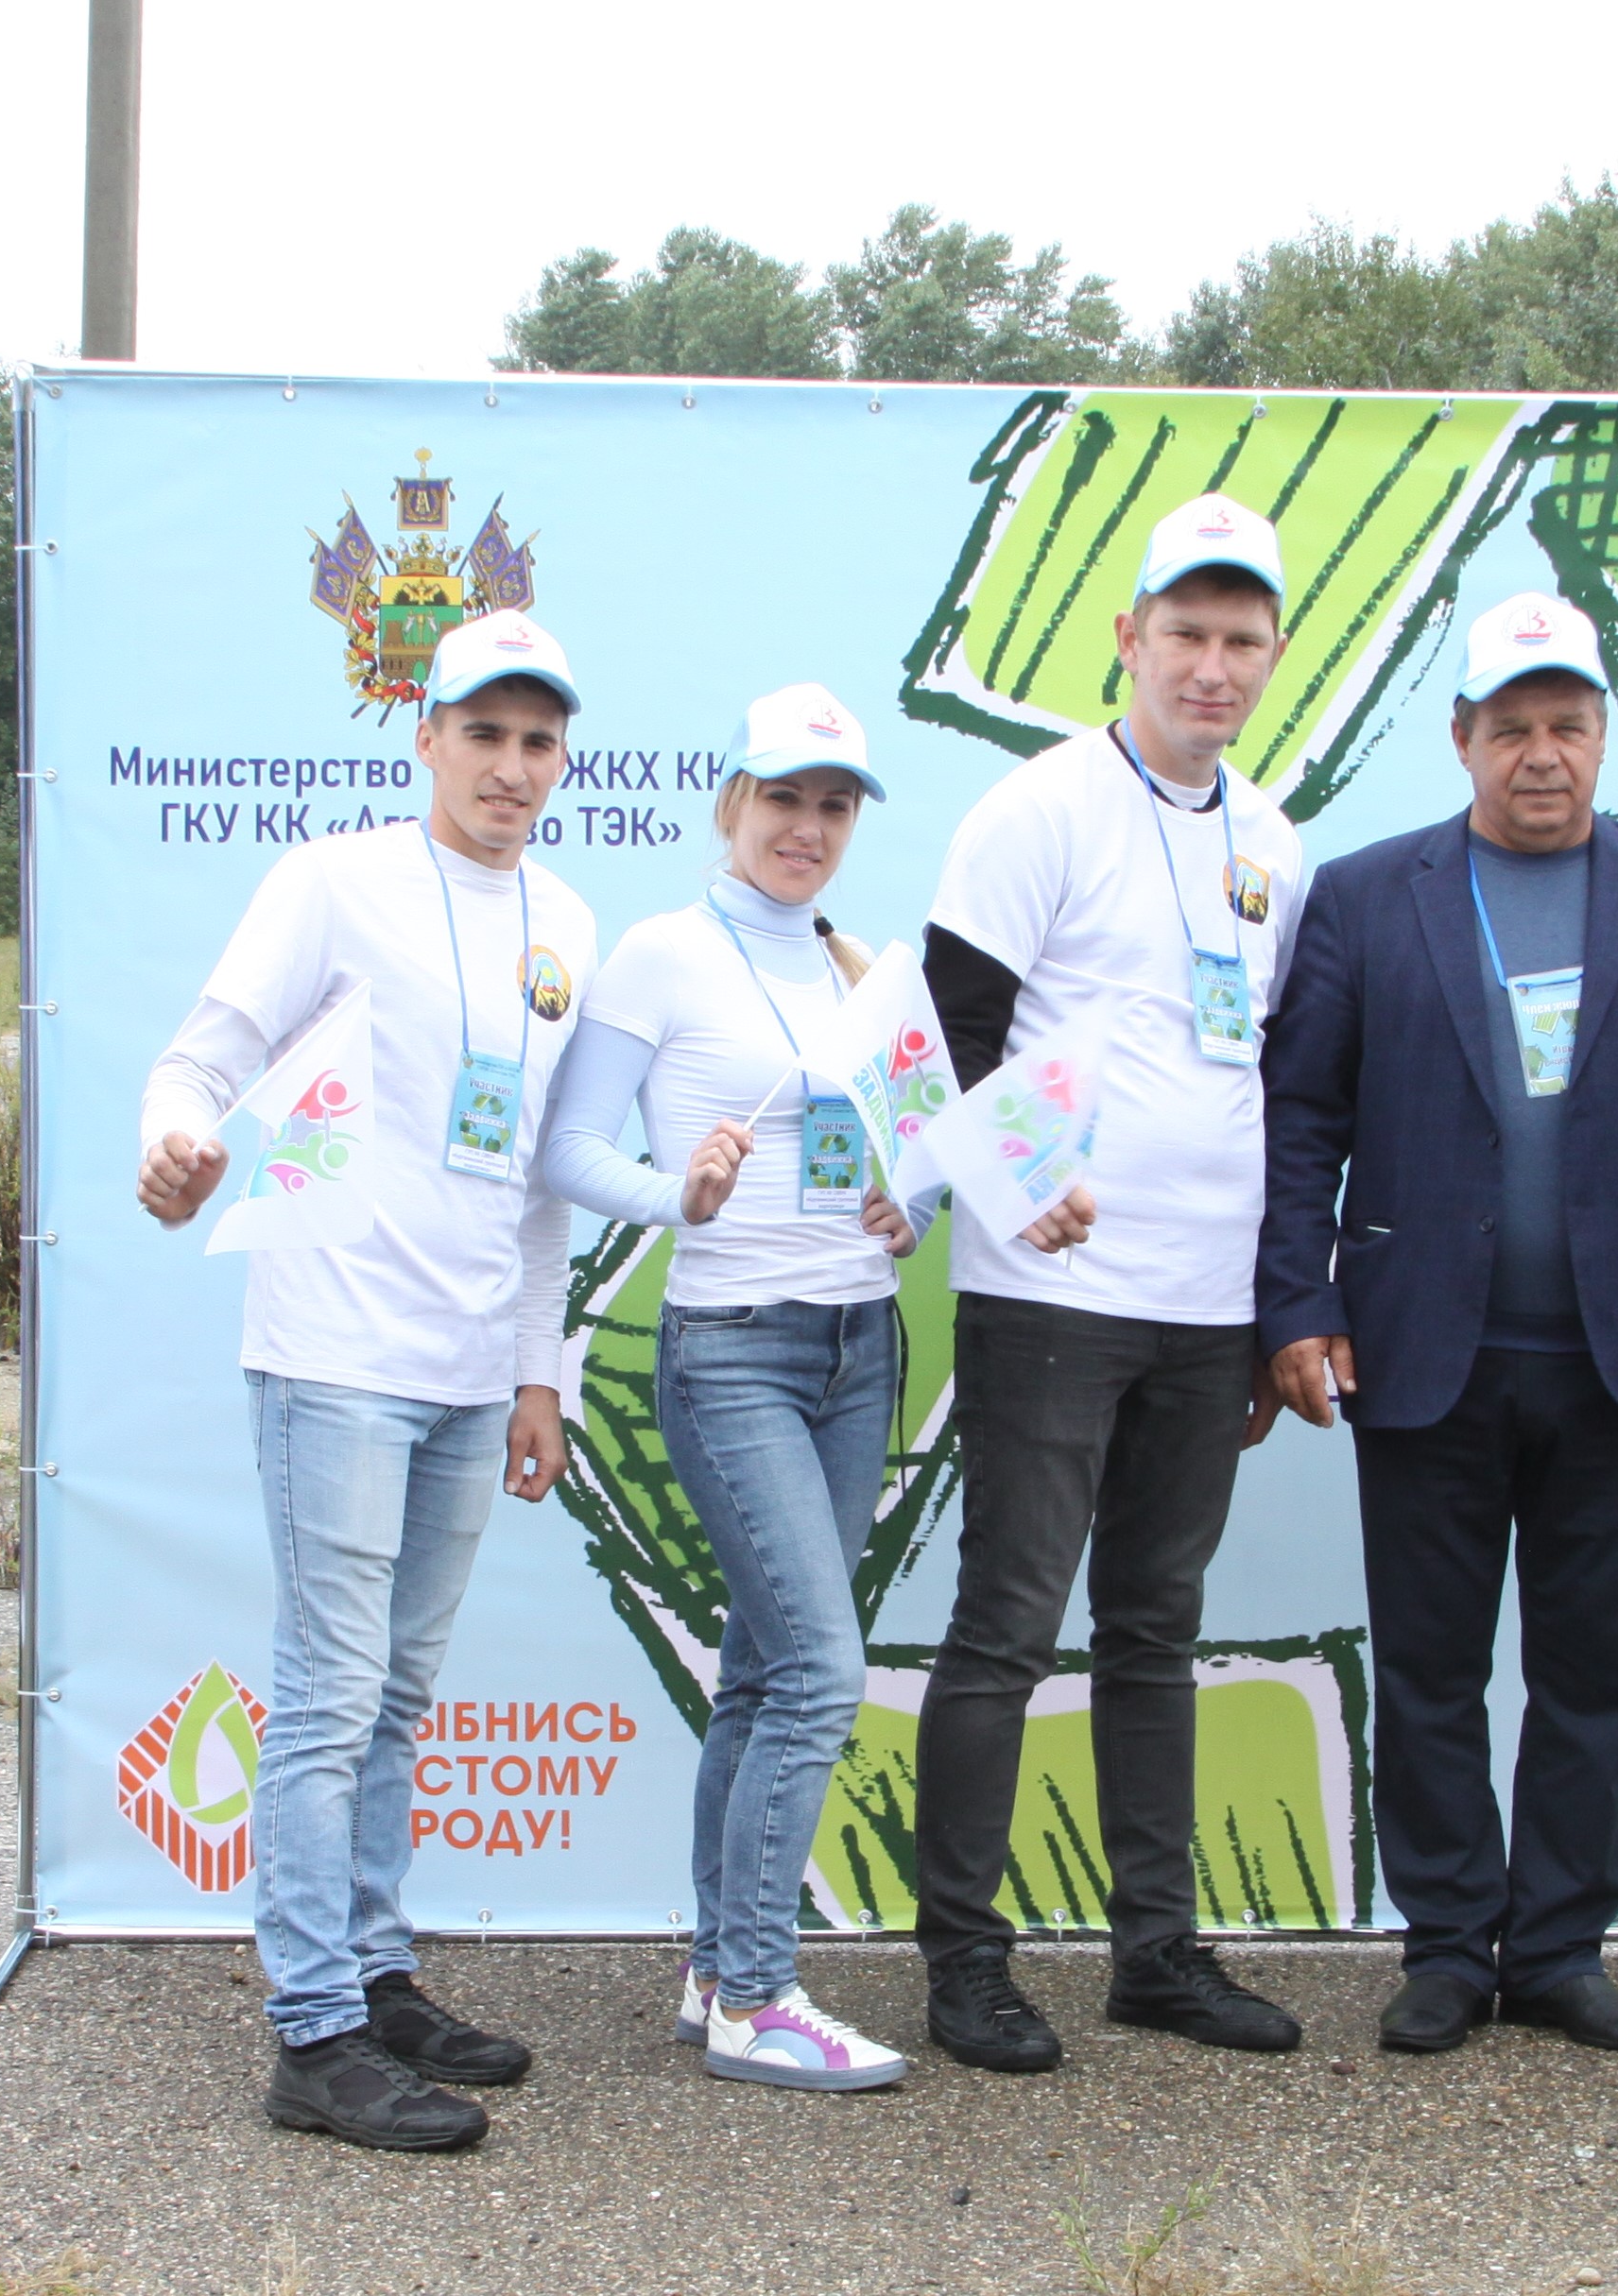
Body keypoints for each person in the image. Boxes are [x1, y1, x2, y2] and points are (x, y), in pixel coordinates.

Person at [1256, 591, 1618, 2056]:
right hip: (1423, 1349)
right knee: (1431, 1670)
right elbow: (1301, 1120)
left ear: (1604, 735)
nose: (1541, 753)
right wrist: (1298, 1298)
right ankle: (1443, 1945)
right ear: (1461, 736)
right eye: (1512, 727)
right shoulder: (1369, 894)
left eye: (1568, 725)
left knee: (1593, 1671)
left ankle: (1557, 1947)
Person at [135, 609, 595, 2152]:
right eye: (485, 734)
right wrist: (175, 1143)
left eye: (538, 741)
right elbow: (198, 1060)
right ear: (427, 737)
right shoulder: (330, 880)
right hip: (334, 1353)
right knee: (333, 1696)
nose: (511, 767)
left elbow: (542, 1181)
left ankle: (380, 1974)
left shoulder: (567, 924)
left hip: (470, 1372)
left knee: (398, 1693)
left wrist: (536, 1373)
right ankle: (314, 2031)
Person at [906, 492, 1310, 2073]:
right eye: (1185, 632)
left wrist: (1271, 1306)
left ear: (1273, 653)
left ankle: (1156, 1953)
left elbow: (1267, 1069)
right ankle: (964, 1962)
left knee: (1155, 1627)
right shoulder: (1039, 809)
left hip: (1205, 1309)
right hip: (1050, 1295)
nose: (1212, 665)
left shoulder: (1272, 841)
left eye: (1241, 638)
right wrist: (1020, 1180)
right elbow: (949, 1026)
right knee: (1008, 1623)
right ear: (1128, 638)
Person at [536, 683, 921, 2092]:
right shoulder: (661, 953)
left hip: (860, 1345)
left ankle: (716, 1971)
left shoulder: (862, 968)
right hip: (734, 1348)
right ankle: (762, 1992)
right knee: (819, 1672)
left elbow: (915, 1149)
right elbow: (567, 1147)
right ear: (732, 804)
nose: (807, 827)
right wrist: (675, 1194)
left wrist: (908, 1208)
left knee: (765, 1670)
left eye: (834, 805)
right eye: (784, 799)